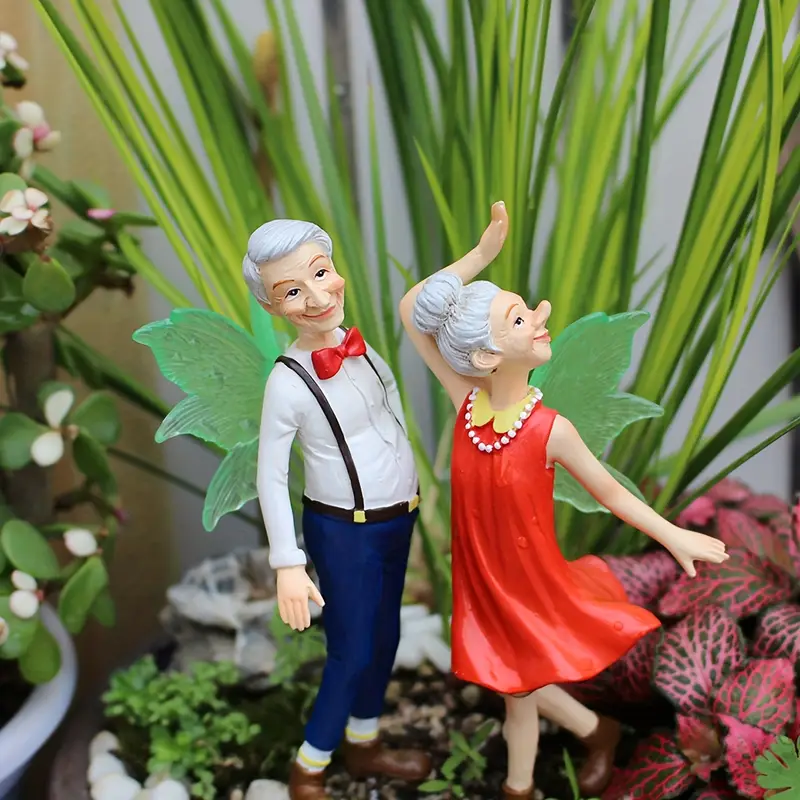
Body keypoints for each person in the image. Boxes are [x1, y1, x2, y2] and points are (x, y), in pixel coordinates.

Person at [398, 202, 729, 799]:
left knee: (517, 698)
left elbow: (608, 491)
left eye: (527, 312)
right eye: (519, 320)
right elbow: (410, 309)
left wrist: (672, 534)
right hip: (482, 578)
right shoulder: (465, 402)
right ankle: (594, 730)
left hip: (528, 581)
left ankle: (520, 787)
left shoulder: (550, 429)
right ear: (486, 357)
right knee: (513, 682)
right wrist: (479, 258)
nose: (540, 320)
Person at [243, 219, 431, 800]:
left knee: (387, 636)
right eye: (293, 290)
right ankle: (310, 767)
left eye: (320, 274)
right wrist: (288, 563)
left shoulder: (364, 349)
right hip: (343, 530)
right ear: (272, 306)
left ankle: (365, 741)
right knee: (350, 649)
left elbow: (393, 417)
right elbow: (271, 474)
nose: (318, 296)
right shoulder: (288, 382)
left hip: (398, 518)